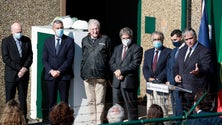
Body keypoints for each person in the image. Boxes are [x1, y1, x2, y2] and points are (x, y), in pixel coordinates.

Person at [42, 20, 75, 121]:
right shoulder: (48, 41)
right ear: (53, 29)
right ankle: (52, 121)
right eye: (57, 28)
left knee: (64, 102)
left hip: (64, 76)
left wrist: (59, 71)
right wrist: (51, 71)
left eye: (61, 28)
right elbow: (44, 59)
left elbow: (69, 60)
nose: (60, 30)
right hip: (51, 76)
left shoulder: (69, 41)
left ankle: (64, 121)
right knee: (51, 101)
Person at [80, 19, 111, 125]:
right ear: (89, 30)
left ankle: (99, 122)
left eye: (96, 28)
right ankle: (92, 122)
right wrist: (82, 72)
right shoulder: (84, 40)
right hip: (87, 75)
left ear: (99, 29)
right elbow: (83, 57)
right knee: (91, 101)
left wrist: (108, 75)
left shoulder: (105, 39)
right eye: (92, 29)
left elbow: (109, 57)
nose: (95, 31)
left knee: (100, 102)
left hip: (101, 76)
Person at [174, 27, 212, 111]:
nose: (189, 41)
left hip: (195, 91)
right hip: (181, 91)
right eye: (186, 39)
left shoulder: (204, 51)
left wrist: (199, 71)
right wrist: (176, 75)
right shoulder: (182, 50)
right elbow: (176, 66)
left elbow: (206, 67)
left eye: (191, 38)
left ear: (195, 37)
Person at [109, 27, 143, 121]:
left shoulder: (137, 48)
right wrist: (117, 72)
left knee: (131, 108)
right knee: (116, 108)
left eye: (127, 38)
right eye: (123, 38)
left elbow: (135, 64)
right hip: (116, 83)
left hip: (128, 82)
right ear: (120, 38)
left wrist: (122, 71)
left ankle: (133, 123)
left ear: (131, 37)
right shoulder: (117, 48)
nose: (125, 40)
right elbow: (111, 62)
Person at [1, 22, 33, 121]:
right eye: (18, 32)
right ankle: (9, 119)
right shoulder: (6, 41)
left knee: (23, 98)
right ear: (12, 31)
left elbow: (30, 56)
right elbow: (6, 58)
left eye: (21, 31)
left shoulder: (26, 40)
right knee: (10, 99)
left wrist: (24, 68)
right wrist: (20, 69)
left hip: (23, 75)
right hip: (11, 75)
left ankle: (23, 118)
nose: (20, 33)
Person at [142, 31, 171, 116]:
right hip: (150, 86)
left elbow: (167, 68)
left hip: (161, 85)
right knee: (150, 109)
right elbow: (145, 68)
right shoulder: (148, 52)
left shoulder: (168, 52)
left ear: (162, 40)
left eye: (159, 39)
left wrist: (159, 78)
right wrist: (148, 78)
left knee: (162, 109)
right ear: (152, 41)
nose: (157, 41)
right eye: (155, 39)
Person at [166, 29, 185, 117]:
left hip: (181, 85)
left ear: (181, 37)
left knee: (180, 109)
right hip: (172, 85)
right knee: (174, 109)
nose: (173, 42)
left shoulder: (186, 49)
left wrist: (175, 80)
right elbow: (169, 67)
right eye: (172, 40)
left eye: (175, 40)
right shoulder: (173, 51)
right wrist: (170, 81)